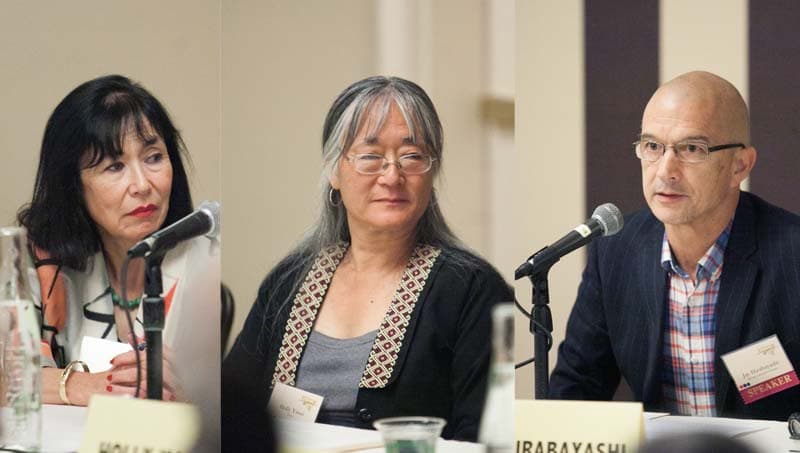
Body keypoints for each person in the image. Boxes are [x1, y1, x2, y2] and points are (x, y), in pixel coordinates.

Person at [222, 76, 512, 443]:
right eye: (371, 157)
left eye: (412, 156)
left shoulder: (473, 290)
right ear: (334, 171)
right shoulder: (288, 282)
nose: (392, 175)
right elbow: (232, 412)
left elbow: (484, 438)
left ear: (432, 172)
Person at [549, 70, 800, 420]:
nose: (666, 170)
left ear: (740, 166)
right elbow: (575, 389)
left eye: (692, 149)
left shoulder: (791, 254)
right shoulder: (616, 250)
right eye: (652, 147)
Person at [18, 74, 197, 406]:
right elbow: (7, 374)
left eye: (154, 157)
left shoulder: (204, 262)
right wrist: (78, 385)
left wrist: (196, 393)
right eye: (115, 166)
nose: (142, 185)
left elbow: (235, 400)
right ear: (72, 184)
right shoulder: (39, 262)